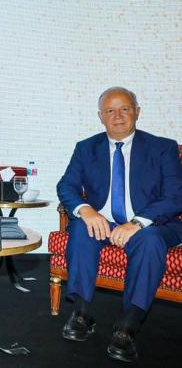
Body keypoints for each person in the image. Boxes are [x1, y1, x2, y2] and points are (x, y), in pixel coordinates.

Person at [57, 86, 182, 363]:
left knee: (150, 241)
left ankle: (128, 324)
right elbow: (66, 186)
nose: (117, 116)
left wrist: (137, 223)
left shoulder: (163, 147)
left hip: (151, 225)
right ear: (100, 116)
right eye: (110, 110)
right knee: (80, 228)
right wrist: (86, 210)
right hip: (103, 222)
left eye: (124, 109)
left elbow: (175, 196)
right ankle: (82, 312)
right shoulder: (86, 148)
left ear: (137, 112)